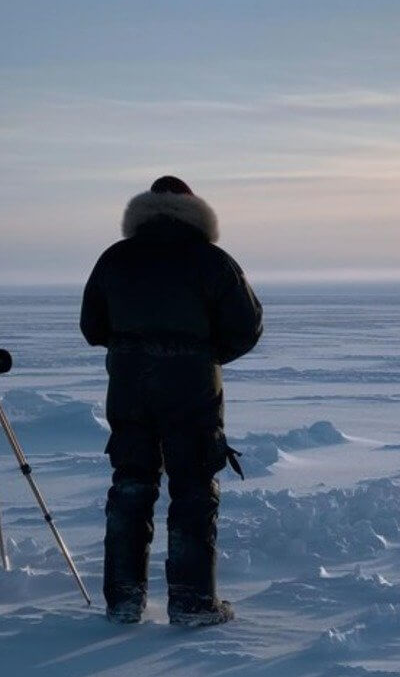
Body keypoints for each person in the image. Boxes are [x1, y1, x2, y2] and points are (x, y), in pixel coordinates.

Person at [79, 176, 263, 626]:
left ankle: (123, 599)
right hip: (193, 392)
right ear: (193, 210)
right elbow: (247, 326)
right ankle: (192, 602)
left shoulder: (115, 260)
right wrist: (203, 356)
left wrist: (132, 350)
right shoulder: (212, 262)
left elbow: (91, 327)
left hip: (129, 390)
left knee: (130, 487)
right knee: (195, 489)